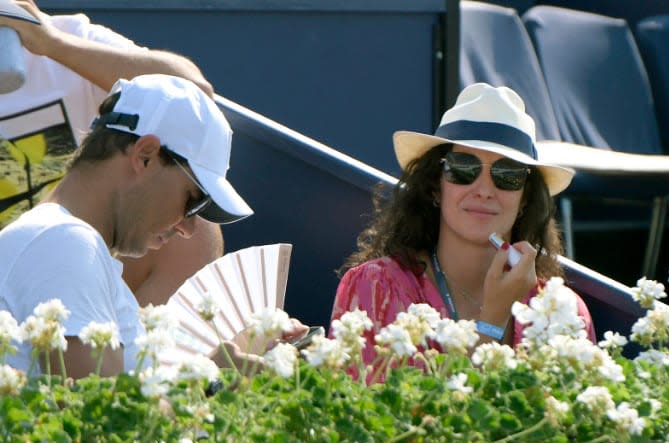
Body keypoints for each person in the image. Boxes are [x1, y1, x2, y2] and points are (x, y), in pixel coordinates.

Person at [0, 74, 305, 378]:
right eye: (193, 200)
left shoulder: (65, 243)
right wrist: (210, 379)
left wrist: (237, 354)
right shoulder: (64, 242)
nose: (188, 228)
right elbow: (102, 419)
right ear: (145, 156)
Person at [331, 82, 595, 365]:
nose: (484, 189)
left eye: (507, 174)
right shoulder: (376, 288)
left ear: (525, 199)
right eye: (463, 168)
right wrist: (493, 322)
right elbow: (397, 409)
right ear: (435, 186)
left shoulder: (564, 312)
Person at [0, 0, 222, 307]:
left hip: (79, 260)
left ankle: (156, 347)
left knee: (187, 214)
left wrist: (53, 43)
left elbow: (193, 97)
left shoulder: (62, 35)